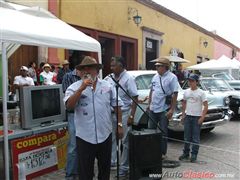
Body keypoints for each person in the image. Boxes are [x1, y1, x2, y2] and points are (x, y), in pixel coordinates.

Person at [64, 56, 123, 180]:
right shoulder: (74, 87)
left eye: (90, 68)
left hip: (105, 135)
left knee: (104, 170)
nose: (86, 71)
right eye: (83, 69)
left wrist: (119, 125)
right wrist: (81, 89)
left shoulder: (107, 85)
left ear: (96, 70)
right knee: (85, 173)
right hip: (85, 137)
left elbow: (117, 105)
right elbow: (69, 106)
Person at [104, 56, 138, 177]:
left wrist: (132, 116)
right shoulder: (109, 78)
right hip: (111, 113)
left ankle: (124, 167)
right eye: (111, 65)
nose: (111, 67)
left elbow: (135, 97)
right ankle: (113, 162)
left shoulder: (129, 79)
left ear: (121, 66)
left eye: (114, 65)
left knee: (125, 141)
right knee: (111, 138)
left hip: (124, 112)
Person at [147, 57, 179, 159]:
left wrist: (171, 110)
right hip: (153, 108)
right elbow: (152, 90)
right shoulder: (155, 77)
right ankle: (151, 151)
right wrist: (149, 104)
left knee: (163, 131)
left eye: (159, 66)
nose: (156, 68)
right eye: (156, 66)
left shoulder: (172, 77)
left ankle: (162, 153)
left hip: (164, 108)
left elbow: (175, 94)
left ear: (165, 67)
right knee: (150, 130)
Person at [179, 73, 208, 163]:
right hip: (188, 116)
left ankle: (194, 154)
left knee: (195, 138)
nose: (190, 82)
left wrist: (202, 117)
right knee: (187, 137)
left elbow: (206, 106)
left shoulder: (201, 93)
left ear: (197, 82)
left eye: (192, 81)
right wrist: (183, 114)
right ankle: (186, 153)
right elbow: (184, 103)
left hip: (197, 117)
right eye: (189, 81)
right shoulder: (186, 91)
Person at [62, 62, 84, 180]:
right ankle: (70, 174)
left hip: (85, 115)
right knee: (73, 145)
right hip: (73, 114)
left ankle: (80, 171)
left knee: (84, 145)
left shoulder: (91, 78)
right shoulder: (68, 77)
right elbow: (68, 98)